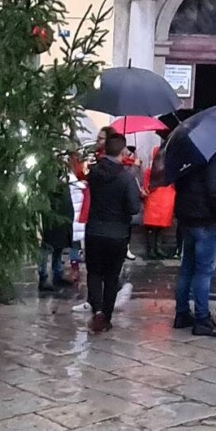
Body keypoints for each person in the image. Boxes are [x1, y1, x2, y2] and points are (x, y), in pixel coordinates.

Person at [173, 141, 216, 338]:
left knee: (187, 267)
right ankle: (202, 320)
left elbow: (178, 185)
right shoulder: (213, 156)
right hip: (208, 222)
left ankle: (181, 313)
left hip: (188, 219)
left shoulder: (186, 155)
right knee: (204, 271)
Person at [85, 132, 144, 332]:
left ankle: (98, 310)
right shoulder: (126, 178)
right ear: (122, 151)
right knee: (111, 276)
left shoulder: (94, 173)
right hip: (117, 233)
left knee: (93, 273)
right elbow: (133, 208)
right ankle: (106, 318)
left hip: (94, 230)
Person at [39, 177, 75, 295]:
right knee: (47, 248)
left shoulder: (64, 183)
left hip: (62, 218)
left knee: (58, 247)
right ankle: (43, 277)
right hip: (51, 219)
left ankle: (58, 274)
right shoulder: (46, 183)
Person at [143, 141, 176, 259]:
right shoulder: (170, 171)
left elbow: (146, 187)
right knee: (159, 229)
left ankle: (152, 249)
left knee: (152, 229)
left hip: (154, 203)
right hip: (165, 204)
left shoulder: (150, 171)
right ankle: (157, 248)